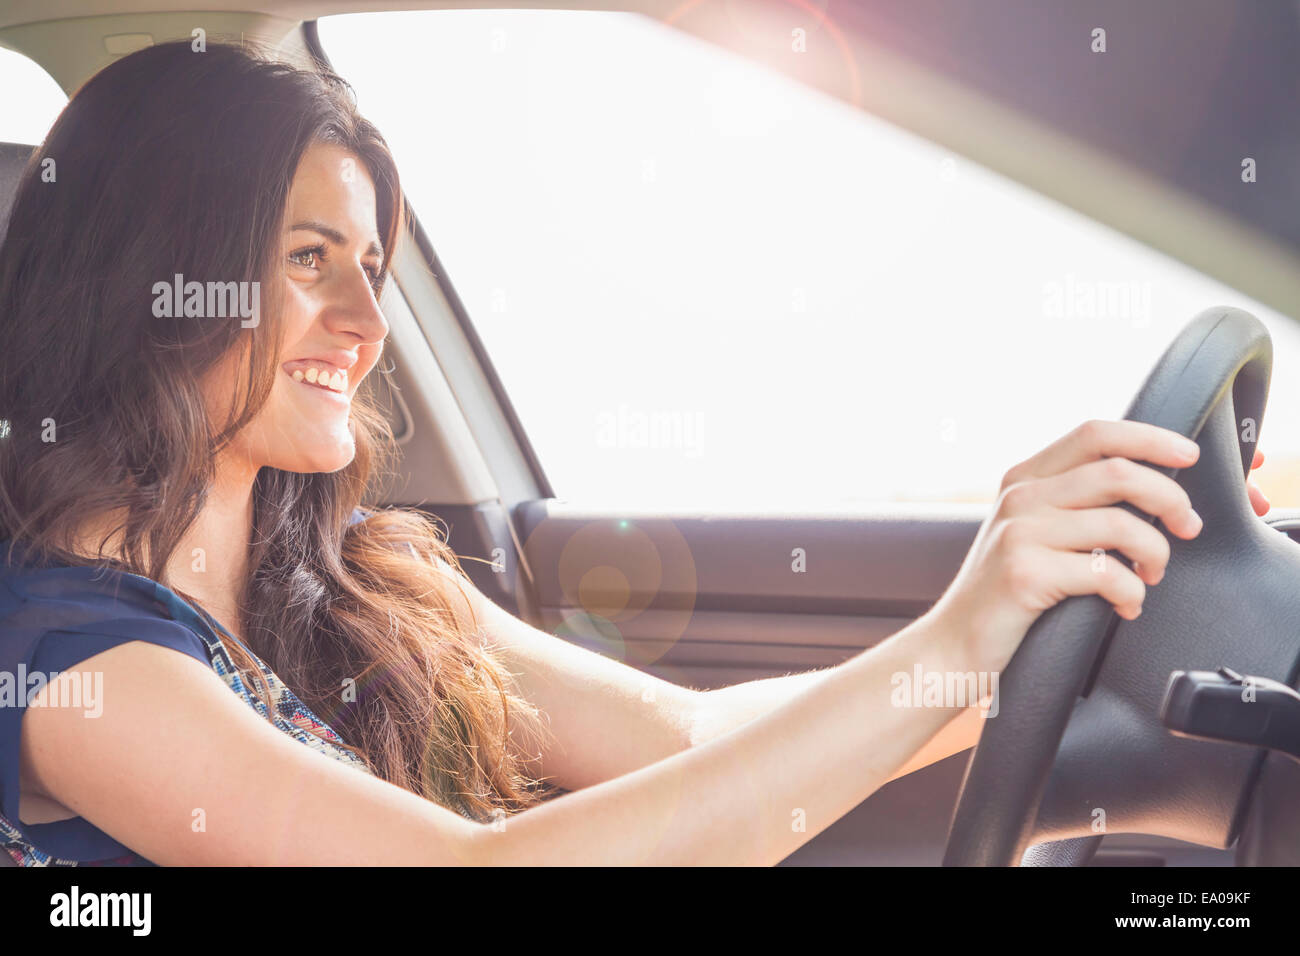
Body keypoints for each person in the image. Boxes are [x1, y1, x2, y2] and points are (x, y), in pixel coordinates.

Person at [0, 40, 1271, 866]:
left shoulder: (367, 578)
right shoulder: (74, 663)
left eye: (373, 265)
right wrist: (952, 638)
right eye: (307, 259)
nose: (368, 323)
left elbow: (683, 741)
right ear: (156, 269)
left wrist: (1040, 623)